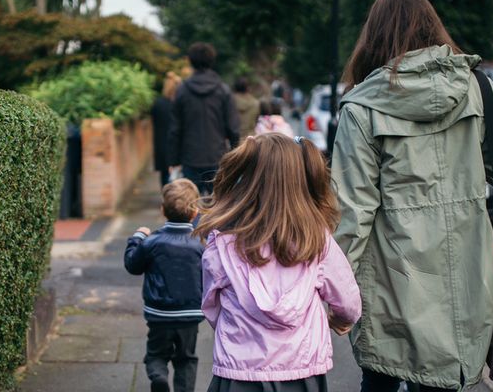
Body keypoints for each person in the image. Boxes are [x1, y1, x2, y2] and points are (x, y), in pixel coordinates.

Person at [331, 0, 493, 392]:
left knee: (379, 378)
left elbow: (353, 211)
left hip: (389, 283)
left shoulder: (362, 106)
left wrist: (333, 291)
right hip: (464, 276)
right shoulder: (480, 89)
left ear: (374, 36)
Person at [195, 133, 362, 392]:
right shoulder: (317, 240)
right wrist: (341, 319)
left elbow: (211, 308)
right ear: (300, 180)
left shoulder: (223, 244)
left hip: (238, 372)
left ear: (248, 177)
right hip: (301, 372)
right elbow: (348, 301)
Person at [123, 179, 205, 392]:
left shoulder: (152, 242)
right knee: (186, 359)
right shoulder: (200, 244)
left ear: (162, 210)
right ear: (195, 212)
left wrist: (138, 237)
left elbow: (133, 265)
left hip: (159, 313)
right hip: (190, 314)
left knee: (156, 355)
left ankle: (159, 376)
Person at [169, 42, 240, 194]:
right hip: (218, 157)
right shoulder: (223, 90)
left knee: (189, 206)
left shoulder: (181, 91)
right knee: (220, 206)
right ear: (212, 60)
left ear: (190, 61)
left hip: (190, 158)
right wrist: (236, 157)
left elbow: (175, 129)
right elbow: (233, 128)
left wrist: (174, 161)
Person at [152, 72, 182, 187]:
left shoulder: (158, 104)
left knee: (165, 178)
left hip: (161, 146)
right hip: (177, 146)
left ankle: (167, 200)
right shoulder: (180, 104)